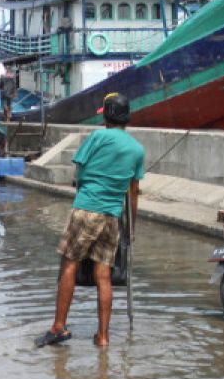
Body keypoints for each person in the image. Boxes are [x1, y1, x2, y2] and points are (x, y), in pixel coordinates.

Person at [37, 92, 144, 349]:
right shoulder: (137, 149)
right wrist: (130, 228)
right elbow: (133, 193)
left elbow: (80, 173)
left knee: (69, 265)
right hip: (112, 217)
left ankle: (58, 327)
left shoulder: (96, 137)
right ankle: (103, 337)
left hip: (87, 208)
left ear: (106, 116)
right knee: (104, 275)